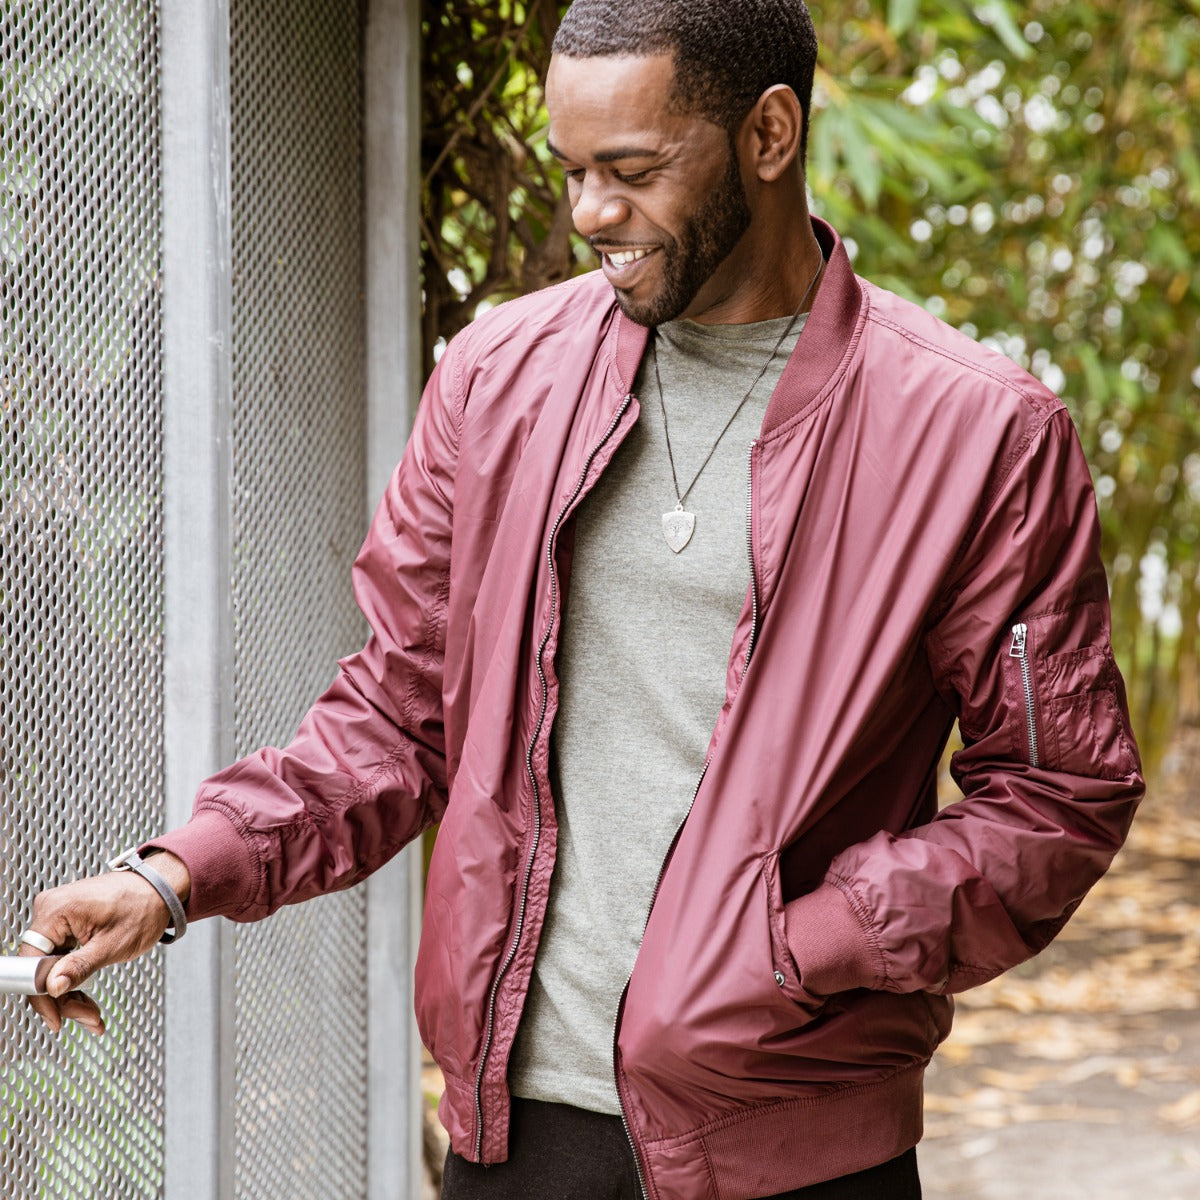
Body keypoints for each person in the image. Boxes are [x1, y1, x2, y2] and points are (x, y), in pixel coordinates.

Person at [21, 2, 1144, 1197]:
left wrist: (802, 945)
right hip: (518, 1138)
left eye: (632, 170)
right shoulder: (501, 381)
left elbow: (1058, 795)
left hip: (796, 1144)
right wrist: (177, 873)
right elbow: (401, 716)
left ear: (770, 134)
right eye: (570, 170)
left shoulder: (975, 433)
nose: (589, 213)